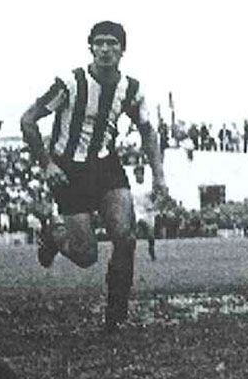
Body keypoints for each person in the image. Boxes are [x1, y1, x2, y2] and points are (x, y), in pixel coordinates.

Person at [19, 21, 168, 332]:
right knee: (86, 255)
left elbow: (147, 131)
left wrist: (159, 176)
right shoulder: (71, 84)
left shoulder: (131, 88)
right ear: (90, 47)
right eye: (99, 43)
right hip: (68, 170)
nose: (105, 49)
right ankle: (55, 236)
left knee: (125, 238)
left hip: (105, 165)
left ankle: (116, 318)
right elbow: (28, 120)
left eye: (112, 43)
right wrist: (47, 164)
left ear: (122, 49)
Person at [129, 163, 157, 261]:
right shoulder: (132, 188)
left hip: (147, 212)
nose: (139, 175)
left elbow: (154, 198)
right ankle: (129, 253)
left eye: (140, 173)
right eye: (137, 173)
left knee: (150, 235)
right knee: (133, 233)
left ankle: (151, 250)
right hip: (137, 211)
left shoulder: (148, 186)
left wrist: (153, 198)